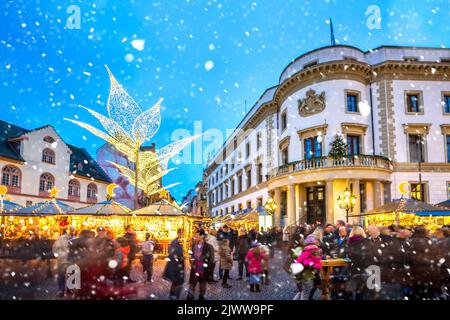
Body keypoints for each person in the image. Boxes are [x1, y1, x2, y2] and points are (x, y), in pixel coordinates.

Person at [406, 226, 443, 300]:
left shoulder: (409, 242)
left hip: (416, 274)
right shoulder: (431, 242)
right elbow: (438, 257)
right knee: (432, 294)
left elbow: (406, 259)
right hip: (431, 273)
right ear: (425, 233)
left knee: (419, 294)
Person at [188, 228, 213, 300]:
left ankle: (201, 297)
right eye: (195, 235)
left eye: (197, 235)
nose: (195, 237)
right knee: (192, 284)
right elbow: (191, 255)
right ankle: (190, 297)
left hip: (203, 269)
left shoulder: (208, 247)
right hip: (194, 268)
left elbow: (210, 259)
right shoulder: (193, 246)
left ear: (202, 236)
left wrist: (207, 268)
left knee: (202, 284)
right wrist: (191, 260)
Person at [295, 235, 322, 300]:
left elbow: (301, 261)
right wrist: (313, 265)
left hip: (301, 275)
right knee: (305, 295)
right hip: (308, 275)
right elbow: (315, 262)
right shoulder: (316, 250)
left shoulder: (305, 250)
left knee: (301, 293)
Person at [346, 226, 369, 300]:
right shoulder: (366, 241)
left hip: (355, 267)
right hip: (365, 267)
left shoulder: (350, 241)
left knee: (357, 288)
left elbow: (349, 255)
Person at [163, 229, 185, 300]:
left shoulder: (178, 242)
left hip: (178, 264)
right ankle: (173, 295)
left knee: (177, 281)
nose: (183, 235)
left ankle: (173, 295)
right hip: (175, 265)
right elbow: (173, 253)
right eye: (182, 233)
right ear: (178, 233)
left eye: (183, 234)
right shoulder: (175, 242)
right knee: (177, 281)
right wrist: (179, 257)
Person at [52, 228, 71, 297]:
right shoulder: (62, 239)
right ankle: (62, 289)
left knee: (70, 274)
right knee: (62, 275)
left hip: (72, 259)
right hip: (64, 259)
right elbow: (55, 248)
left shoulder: (76, 238)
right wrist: (61, 255)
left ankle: (68, 290)